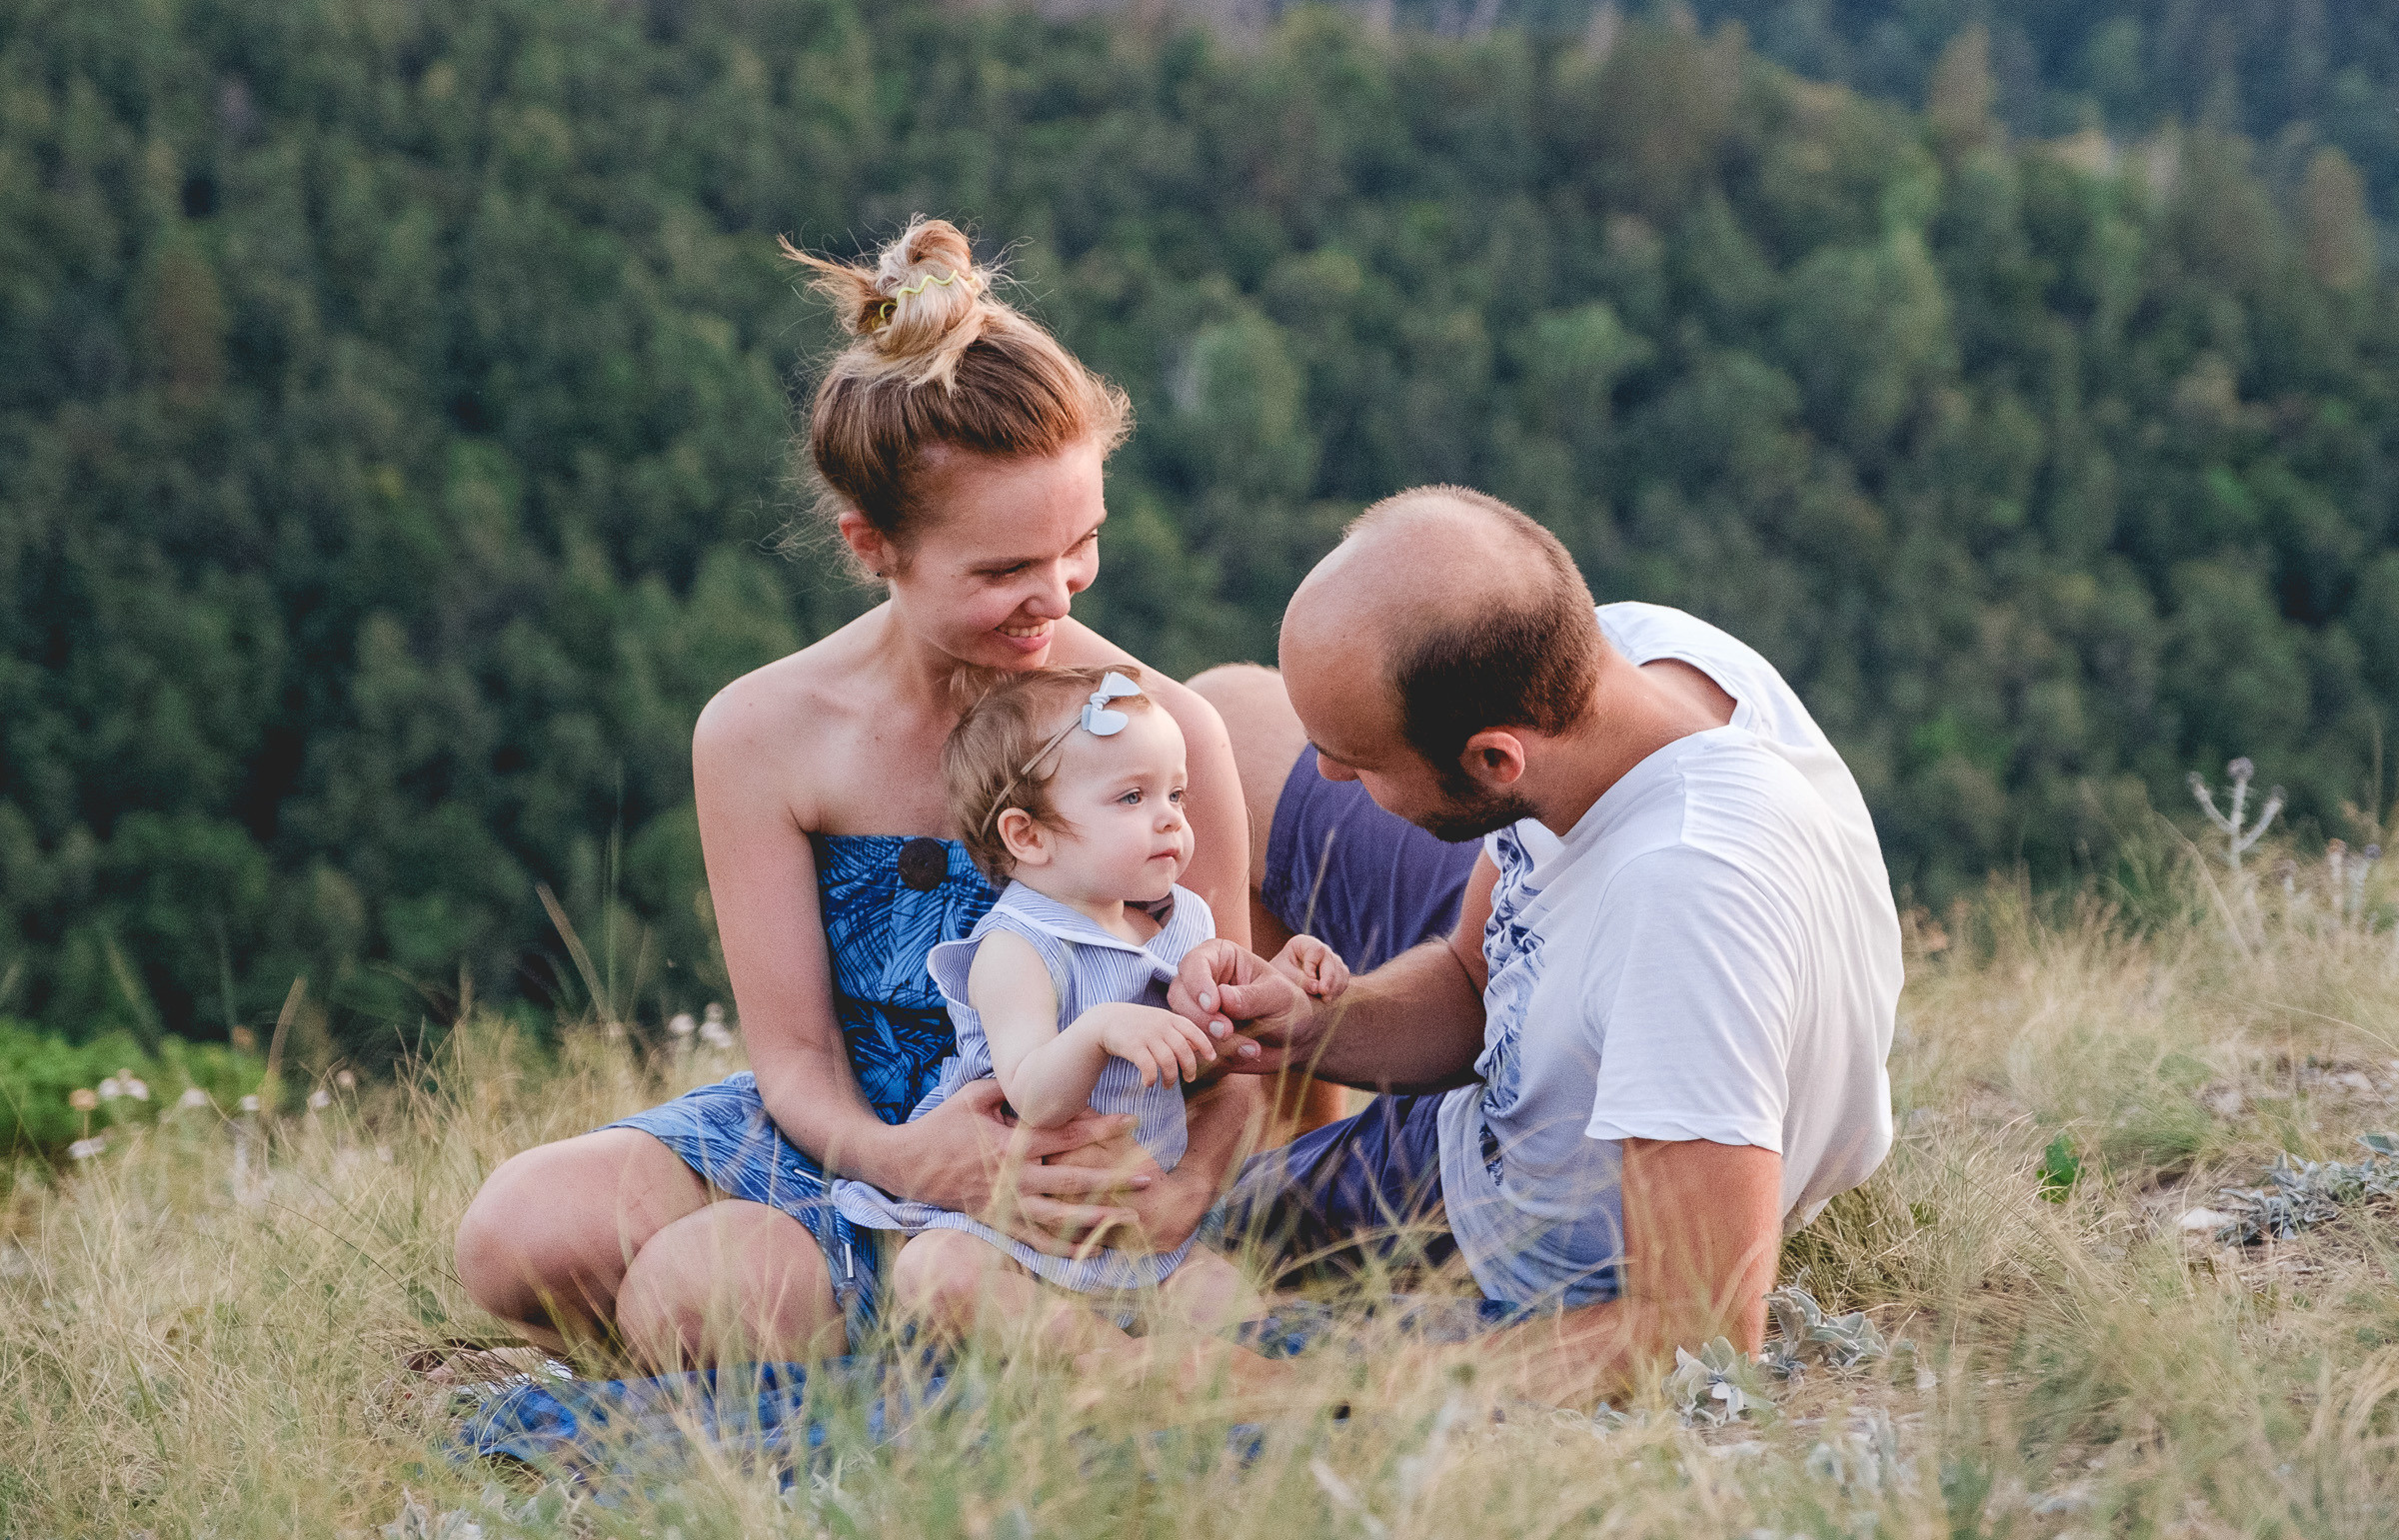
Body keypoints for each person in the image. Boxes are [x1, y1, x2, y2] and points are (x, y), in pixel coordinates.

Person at [453, 219, 1266, 1369]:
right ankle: (853, 1291)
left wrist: (1178, 1199)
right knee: (513, 1236)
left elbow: (1231, 1048)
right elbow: (795, 1060)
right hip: (843, 1135)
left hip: (1070, 1160)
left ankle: (867, 1312)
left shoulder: (1163, 735)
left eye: (1079, 545)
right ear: (871, 542)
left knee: (692, 1306)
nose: (1056, 596)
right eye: (1001, 571)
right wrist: (904, 1160)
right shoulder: (761, 732)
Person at [1174, 486, 1902, 1406]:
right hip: (1522, 1105)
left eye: (1359, 761)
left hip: (1529, 1245)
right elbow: (1477, 980)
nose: (1330, 775)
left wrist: (1336, 1389)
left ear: (1492, 761)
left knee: (1146, 1307)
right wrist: (1311, 1024)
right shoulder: (1632, 655)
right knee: (1227, 727)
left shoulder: (1683, 904)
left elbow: (1700, 1332)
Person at [837, 665, 1346, 1360]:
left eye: (1176, 793)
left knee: (1227, 1298)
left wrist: (1277, 981)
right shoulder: (1016, 947)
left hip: (1141, 1225)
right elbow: (1034, 1092)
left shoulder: (1177, 922)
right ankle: (1125, 1371)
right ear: (1029, 837)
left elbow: (1221, 1059)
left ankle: (1238, 1379)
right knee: (935, 1273)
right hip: (1017, 1231)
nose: (1170, 816)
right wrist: (1103, 1028)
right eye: (1132, 797)